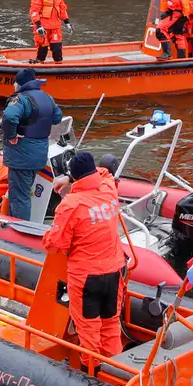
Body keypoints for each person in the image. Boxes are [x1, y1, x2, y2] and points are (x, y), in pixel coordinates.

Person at [43, 152, 127, 367]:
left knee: (88, 332)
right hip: (114, 271)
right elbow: (105, 172)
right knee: (110, 327)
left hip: (87, 278)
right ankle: (117, 373)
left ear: (76, 177)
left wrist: (47, 235)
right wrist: (71, 178)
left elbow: (56, 245)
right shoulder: (109, 189)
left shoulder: (71, 205)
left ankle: (91, 376)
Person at [0, 68, 62, 222]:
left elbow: (9, 117)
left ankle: (19, 231)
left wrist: (12, 135)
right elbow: (57, 117)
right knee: (26, 191)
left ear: (19, 83)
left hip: (22, 156)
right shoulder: (47, 97)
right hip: (39, 154)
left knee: (19, 196)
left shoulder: (21, 99)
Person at [29, 0, 70, 64]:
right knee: (42, 49)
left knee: (57, 50)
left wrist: (67, 22)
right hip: (43, 28)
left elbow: (62, 8)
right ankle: (39, 66)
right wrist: (38, 26)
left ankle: (59, 69)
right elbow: (34, 11)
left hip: (55, 27)